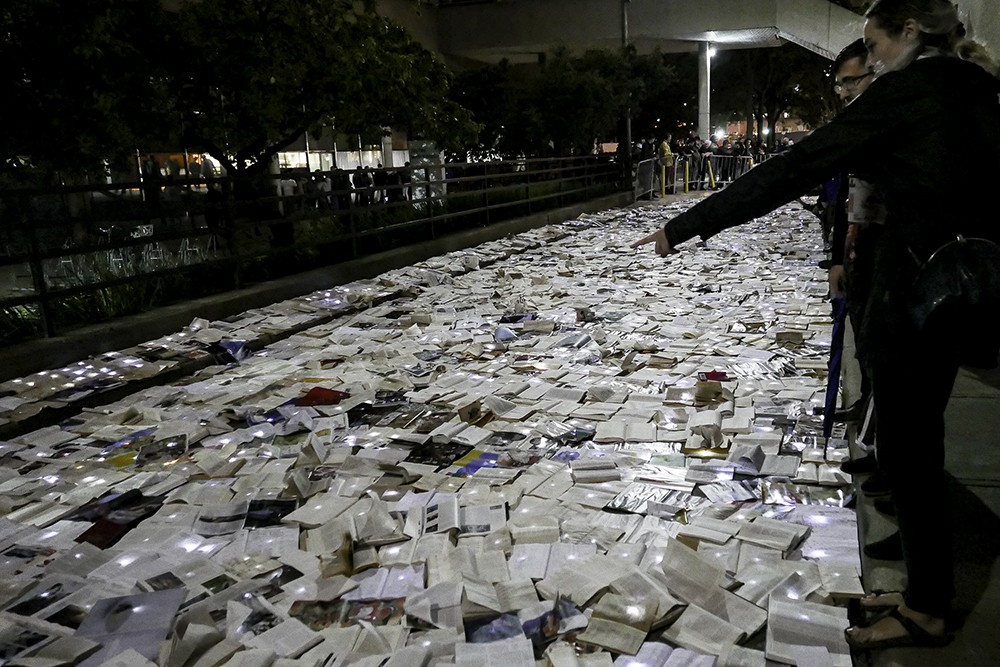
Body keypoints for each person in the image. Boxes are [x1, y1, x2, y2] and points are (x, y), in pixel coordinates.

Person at [632, 0, 1000, 651]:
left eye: (874, 44)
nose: (872, 60)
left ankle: (927, 609)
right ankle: (921, 590)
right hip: (962, 291)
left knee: (909, 451)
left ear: (909, 32)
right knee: (914, 444)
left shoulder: (909, 92)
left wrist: (688, 225)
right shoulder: (978, 87)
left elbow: (796, 167)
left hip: (915, 297)